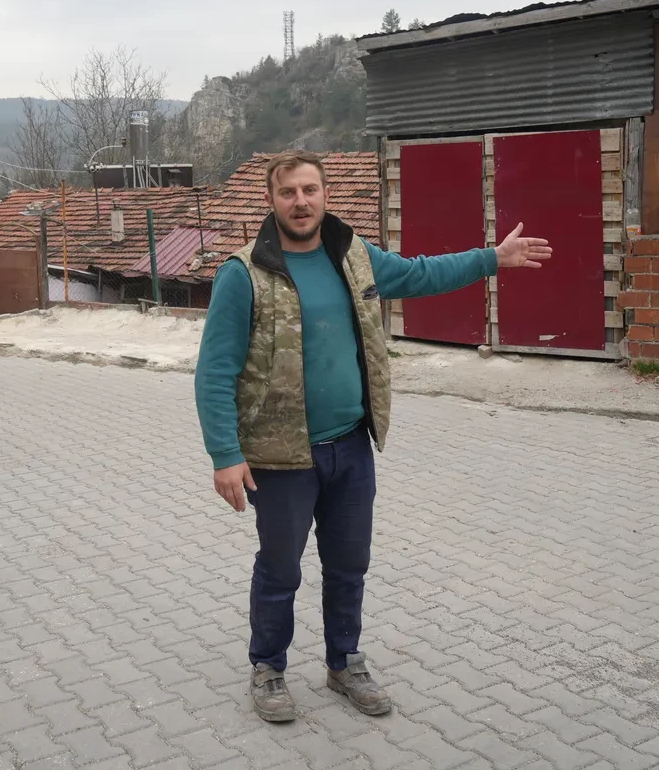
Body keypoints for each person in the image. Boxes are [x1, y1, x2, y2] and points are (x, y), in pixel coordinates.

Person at [194, 150, 552, 723]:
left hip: (351, 446)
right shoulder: (244, 274)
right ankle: (268, 668)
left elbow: (421, 273)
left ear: (325, 194)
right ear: (271, 200)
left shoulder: (352, 255)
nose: (301, 202)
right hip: (281, 455)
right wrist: (225, 455)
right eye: (288, 193)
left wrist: (493, 258)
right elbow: (214, 371)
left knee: (348, 563)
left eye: (310, 190)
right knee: (281, 568)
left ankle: (344, 663)